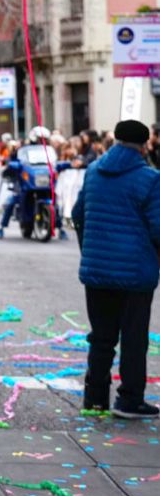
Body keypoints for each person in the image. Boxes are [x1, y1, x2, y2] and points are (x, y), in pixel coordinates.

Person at [71, 120, 160, 419]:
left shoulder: (94, 171)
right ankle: (129, 399)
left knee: (101, 337)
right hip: (135, 273)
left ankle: (94, 398)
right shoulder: (149, 178)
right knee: (133, 338)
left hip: (97, 271)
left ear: (116, 141)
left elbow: (77, 214)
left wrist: (89, 251)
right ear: (144, 145)